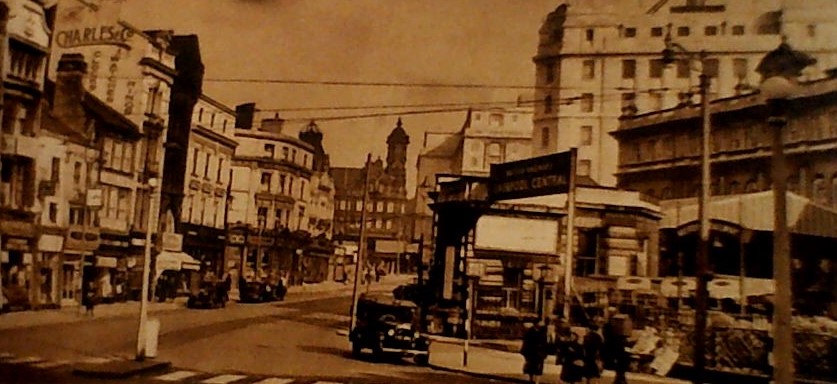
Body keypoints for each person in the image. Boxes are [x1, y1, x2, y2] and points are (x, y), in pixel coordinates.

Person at [582, 315, 605, 384]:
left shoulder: (587, 337)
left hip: (587, 357)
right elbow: (600, 348)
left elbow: (584, 347)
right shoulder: (598, 337)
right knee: (593, 375)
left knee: (588, 375)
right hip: (593, 357)